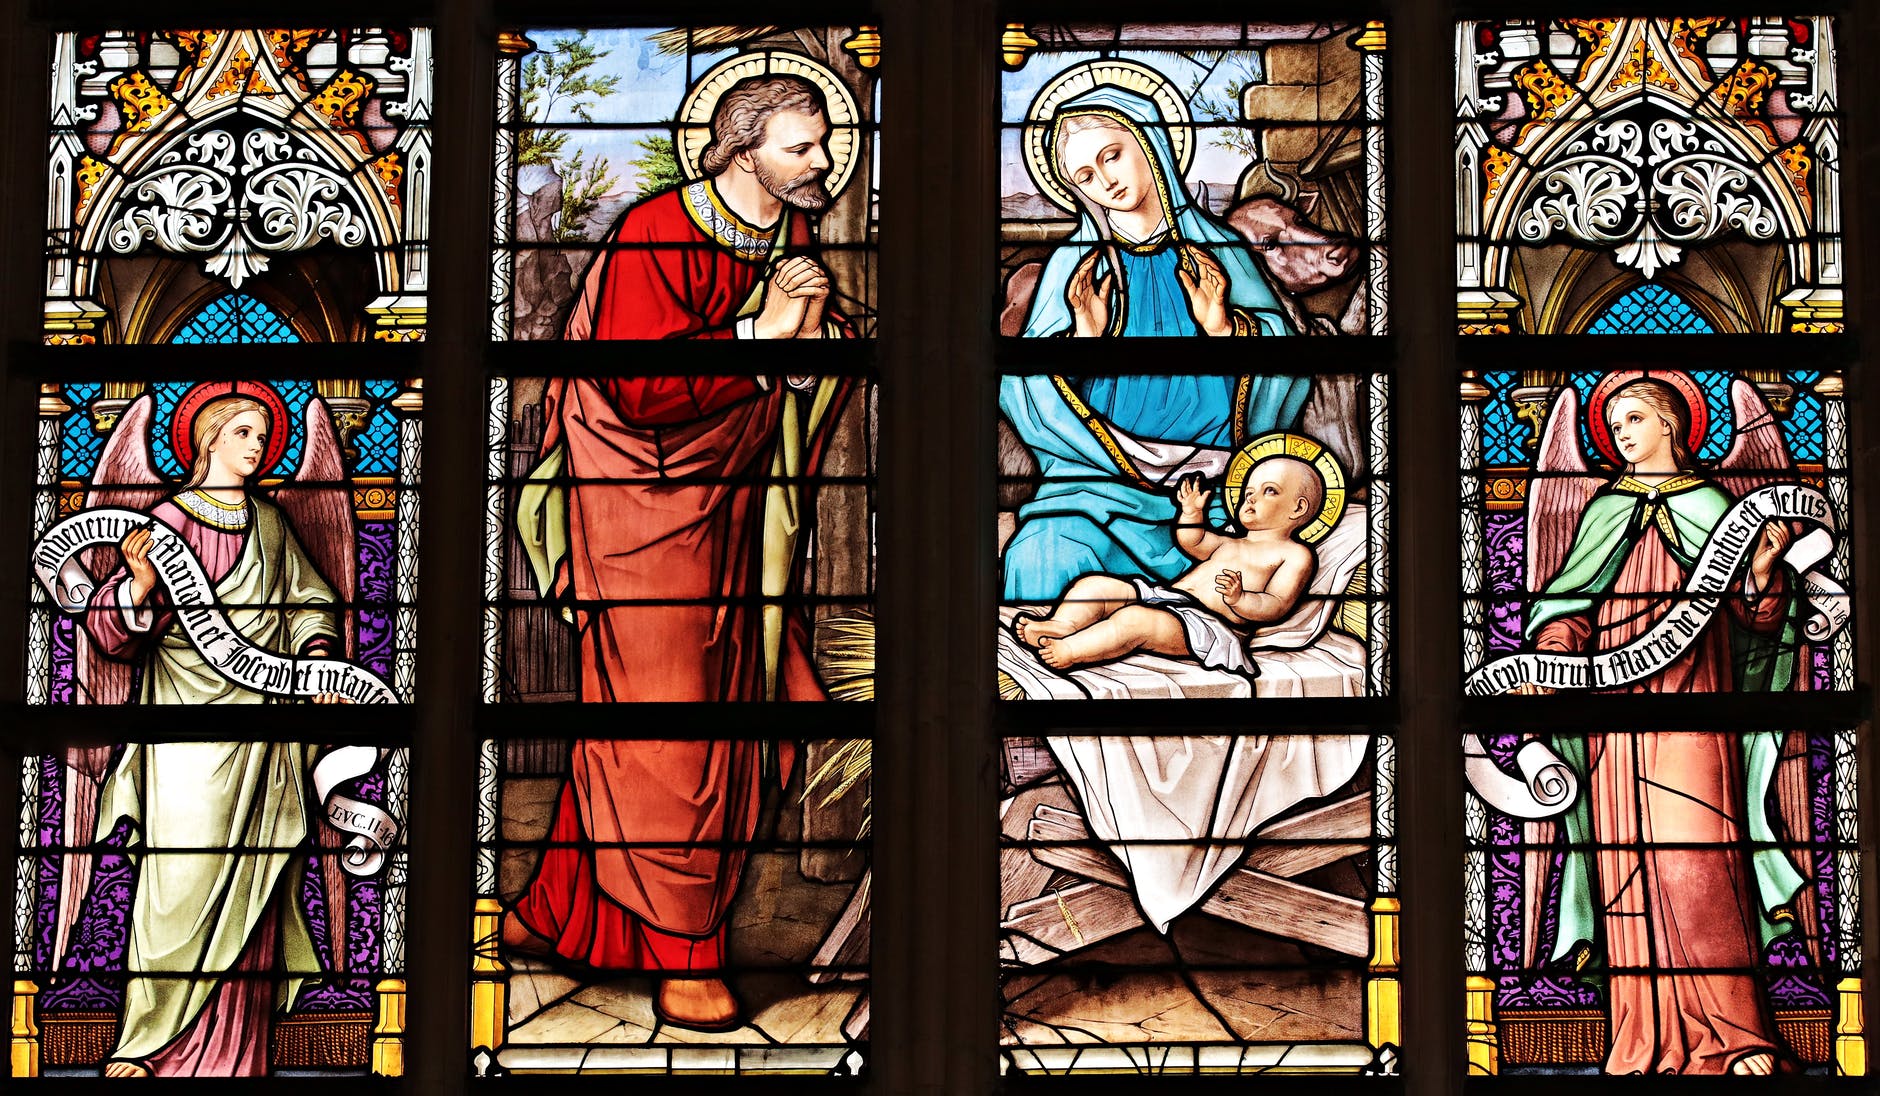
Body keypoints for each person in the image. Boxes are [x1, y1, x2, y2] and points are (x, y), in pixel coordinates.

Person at [502, 72, 852, 1032]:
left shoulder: (786, 231)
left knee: (705, 711)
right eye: (801, 145)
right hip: (641, 512)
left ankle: (564, 914)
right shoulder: (655, 232)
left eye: (822, 142)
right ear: (742, 152)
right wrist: (760, 331)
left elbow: (789, 360)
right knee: (674, 731)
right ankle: (683, 953)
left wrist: (811, 336)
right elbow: (637, 388)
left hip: (732, 505)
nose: (822, 159)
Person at [1518, 377, 1806, 1075]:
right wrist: (1553, 651)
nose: (1621, 432)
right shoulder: (1605, 509)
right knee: (1629, 863)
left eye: (1635, 418)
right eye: (1613, 421)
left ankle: (1735, 1034)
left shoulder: (1715, 508)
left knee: (1697, 856)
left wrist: (1764, 574)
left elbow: (1763, 627)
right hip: (1613, 716)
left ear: (1674, 426)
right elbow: (1568, 602)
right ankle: (1642, 1038)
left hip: (1695, 708)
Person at [83, 393, 348, 1076]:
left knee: (252, 888)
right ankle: (147, 1045)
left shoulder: (269, 523)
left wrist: (316, 654)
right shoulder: (167, 521)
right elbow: (108, 631)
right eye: (241, 432)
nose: (256, 445)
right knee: (176, 883)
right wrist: (139, 582)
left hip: (262, 736)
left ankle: (239, 1058)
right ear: (206, 440)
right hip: (184, 732)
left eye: (262, 433)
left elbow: (310, 600)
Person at [1001, 83, 1310, 605]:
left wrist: (1225, 329)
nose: (1105, 181)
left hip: (1209, 487)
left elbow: (1290, 362)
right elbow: (1025, 390)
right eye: (1085, 176)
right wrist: (1081, 341)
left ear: (1150, 144)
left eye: (1112, 156)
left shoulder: (1218, 249)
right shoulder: (1072, 266)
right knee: (1042, 552)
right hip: (1097, 482)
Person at [1014, 461, 1320, 673]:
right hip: (1169, 599)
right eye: (1248, 492)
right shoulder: (1232, 543)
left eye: (1269, 491)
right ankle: (1062, 625)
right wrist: (1191, 513)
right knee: (1097, 586)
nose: (1250, 499)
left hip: (1212, 628)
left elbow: (1277, 604)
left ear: (1298, 507)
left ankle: (1071, 651)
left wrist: (1241, 600)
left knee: (1134, 620)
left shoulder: (1295, 555)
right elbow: (1193, 541)